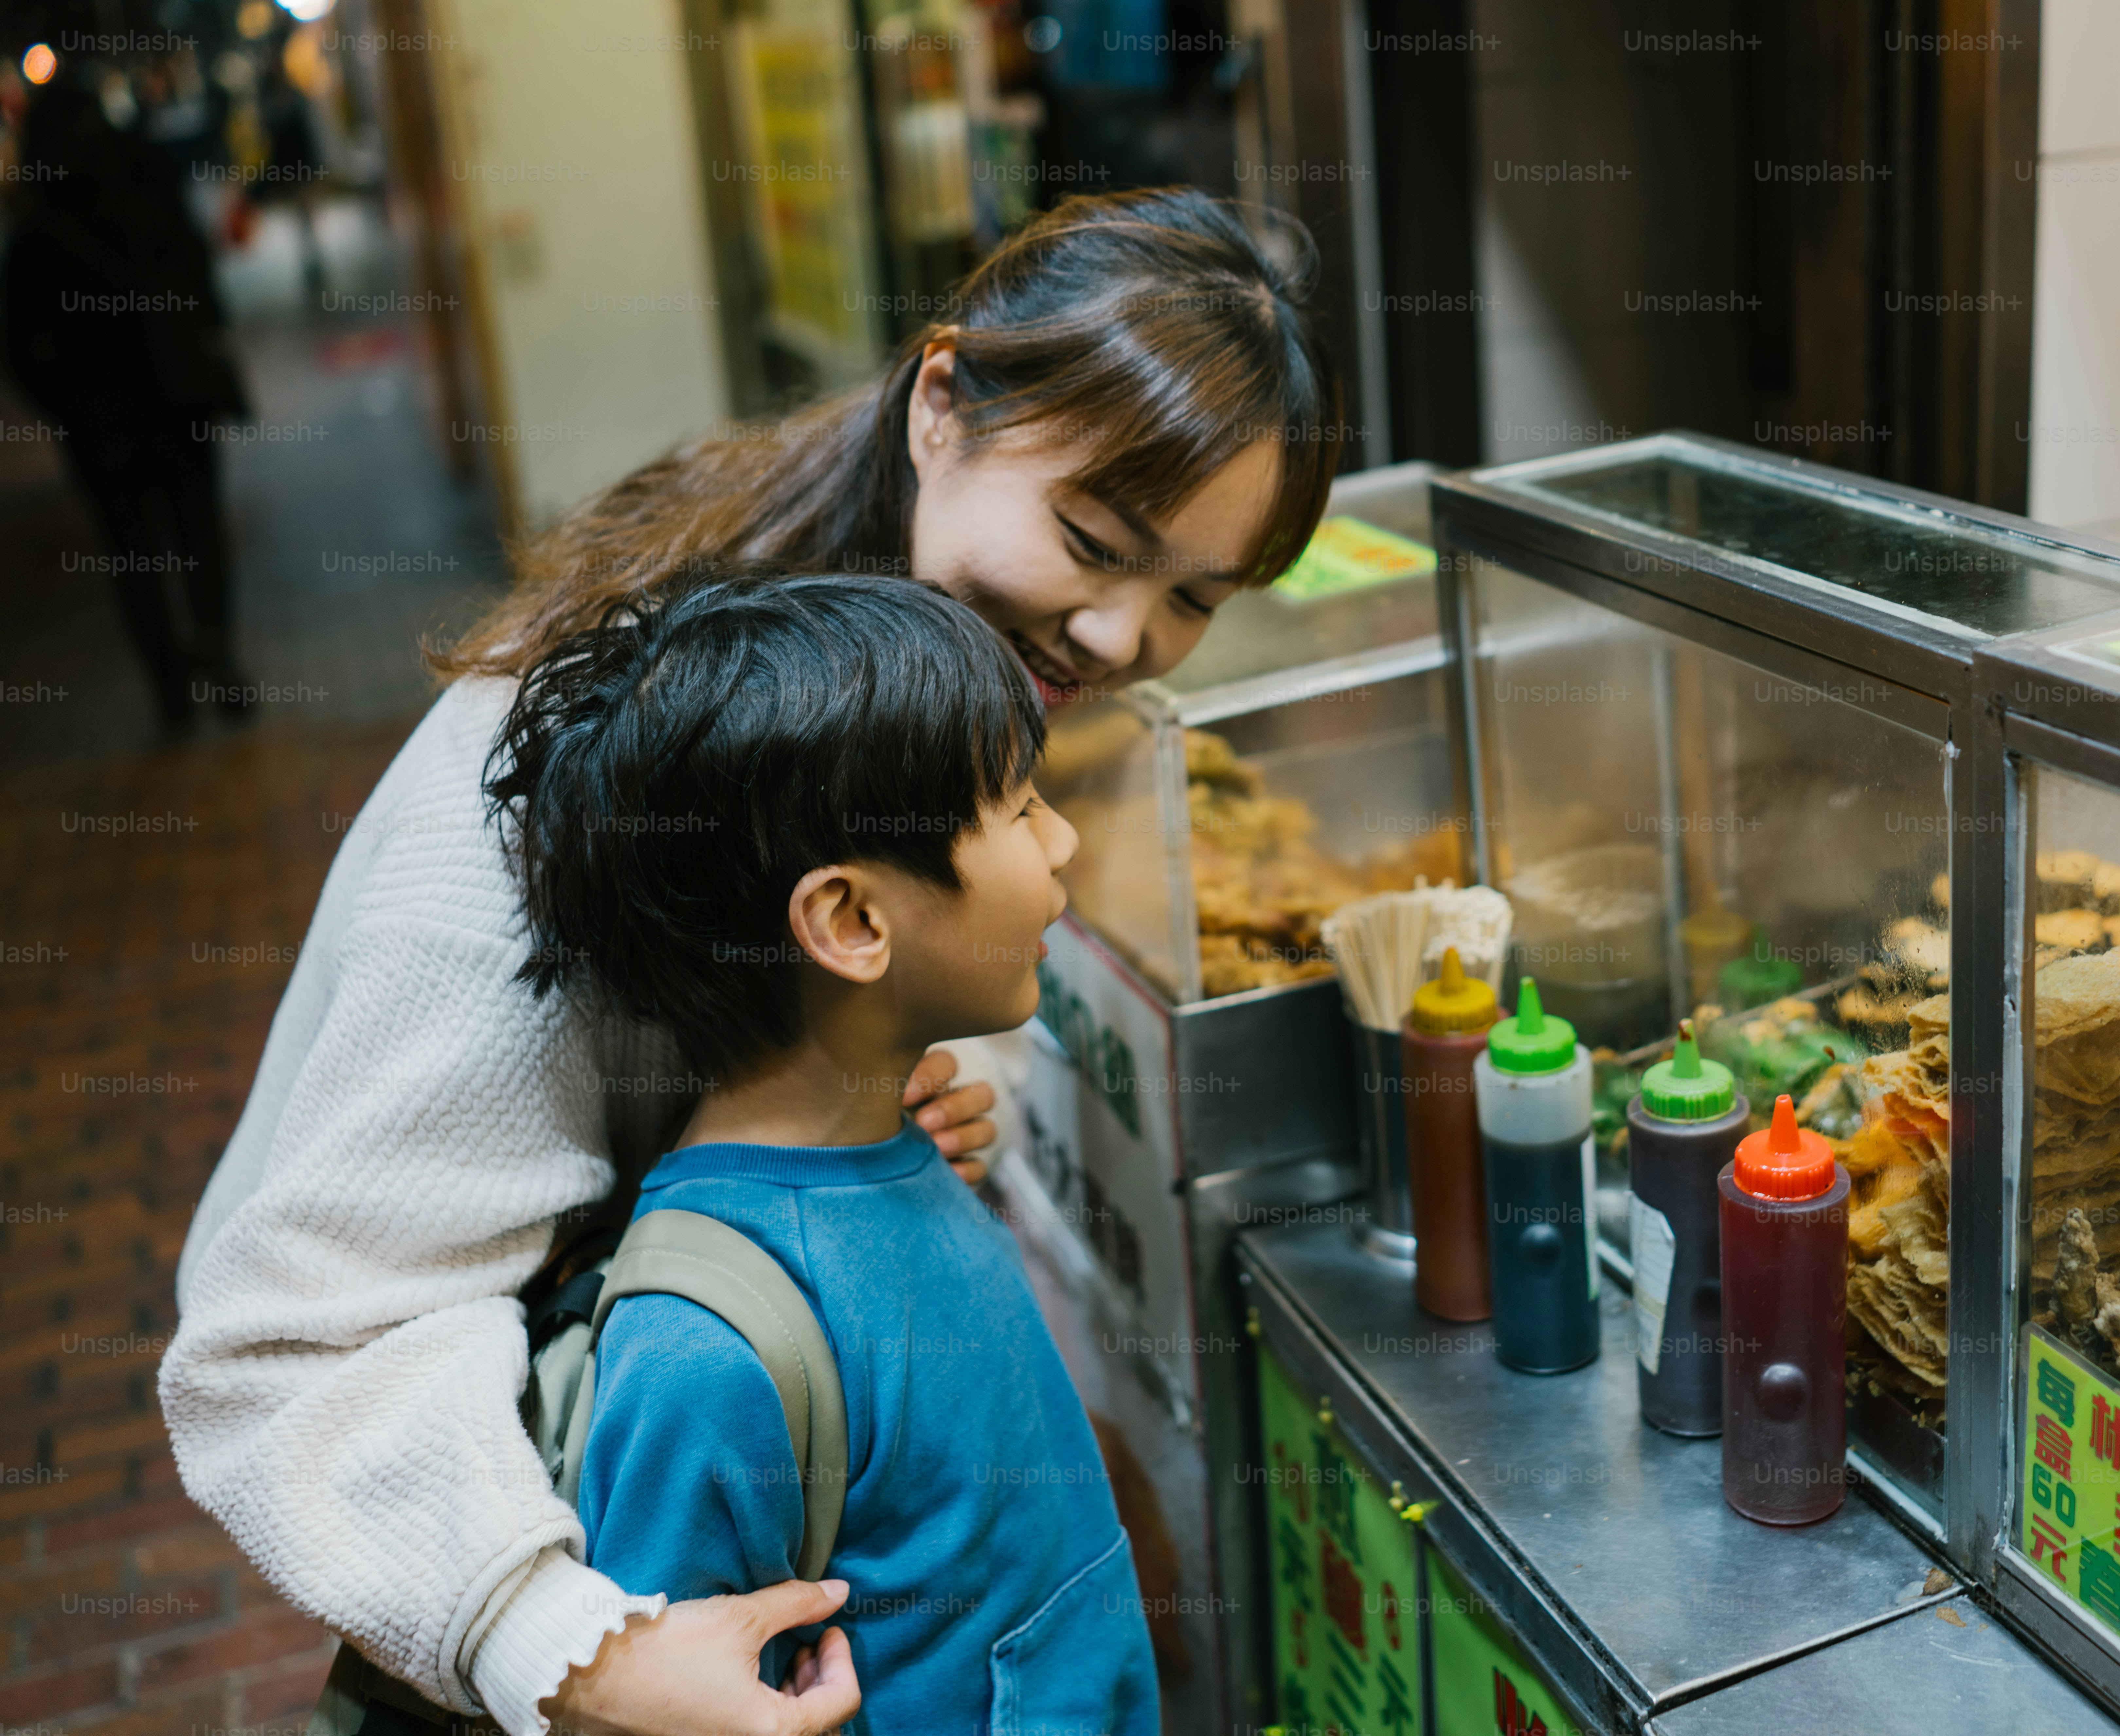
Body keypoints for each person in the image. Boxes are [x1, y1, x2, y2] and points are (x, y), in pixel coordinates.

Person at [160, 185, 1339, 1736]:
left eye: (1194, 594)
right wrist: (558, 1642)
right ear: (940, 403)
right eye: (1091, 541)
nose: (1124, 636)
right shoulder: (605, 757)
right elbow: (287, 1336)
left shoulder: (913, 671)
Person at [492, 572, 1155, 1736]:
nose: (1065, 838)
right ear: (852, 924)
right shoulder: (710, 1352)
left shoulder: (897, 1151)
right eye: (1016, 806)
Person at [1, 77, 254, 735]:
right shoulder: (144, 179)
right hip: (177, 399)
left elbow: (21, 348)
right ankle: (217, 651)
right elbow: (197, 272)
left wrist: (66, 408)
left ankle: (172, 689)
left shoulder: (37, 228)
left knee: (132, 558)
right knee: (198, 534)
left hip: (102, 430)